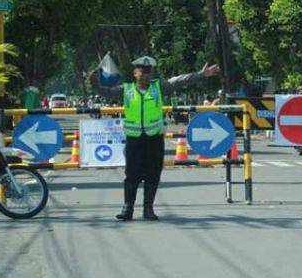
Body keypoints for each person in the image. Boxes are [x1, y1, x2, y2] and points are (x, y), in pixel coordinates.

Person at [90, 55, 220, 221]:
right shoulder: (126, 90)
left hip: (154, 138)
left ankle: (148, 209)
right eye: (142, 72)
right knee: (132, 175)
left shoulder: (158, 87)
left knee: (153, 174)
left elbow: (179, 81)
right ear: (135, 73)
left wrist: (201, 74)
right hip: (134, 139)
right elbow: (103, 91)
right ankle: (127, 208)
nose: (145, 75)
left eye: (148, 72)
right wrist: (94, 82)